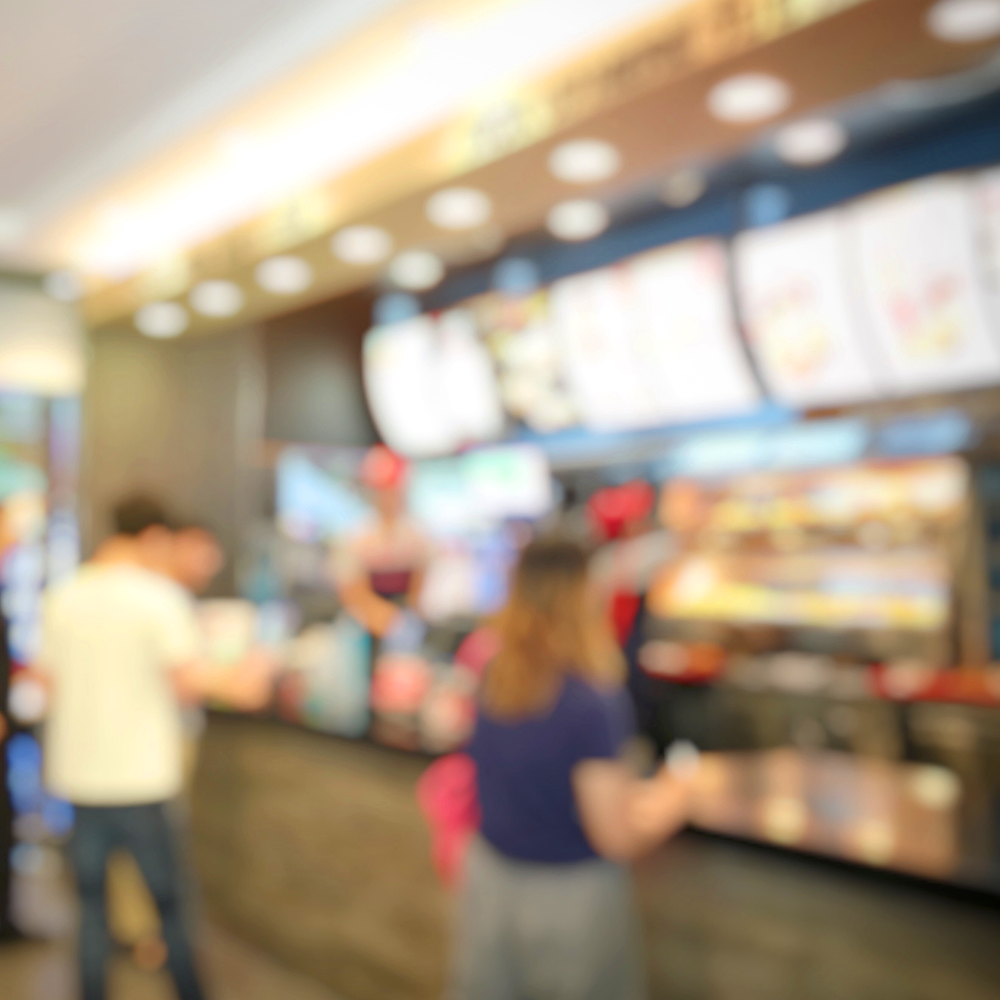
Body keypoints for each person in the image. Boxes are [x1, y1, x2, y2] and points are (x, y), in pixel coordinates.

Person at [451, 539, 694, 1000]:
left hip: (488, 884)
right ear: (584, 595)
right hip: (567, 901)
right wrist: (678, 796)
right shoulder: (591, 700)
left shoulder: (492, 675)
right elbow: (614, 835)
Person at [37, 495, 256, 1000]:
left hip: (79, 780)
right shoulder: (159, 598)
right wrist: (246, 678)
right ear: (155, 537)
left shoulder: (64, 595)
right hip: (142, 780)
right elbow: (188, 682)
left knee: (92, 911)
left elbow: (46, 685)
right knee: (171, 907)